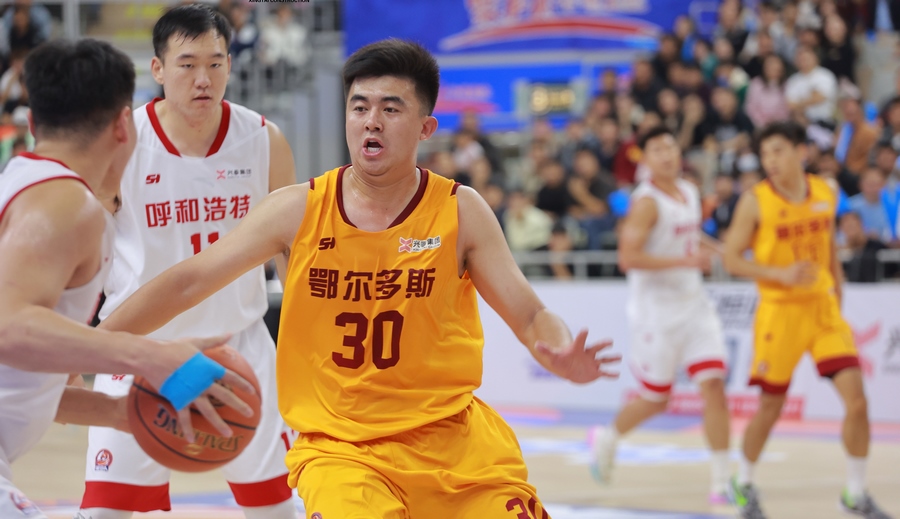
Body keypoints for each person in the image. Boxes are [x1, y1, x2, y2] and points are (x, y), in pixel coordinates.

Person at [94, 38, 621, 518]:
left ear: (425, 128)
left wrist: (557, 349)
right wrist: (88, 347)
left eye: (391, 109)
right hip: (342, 451)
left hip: (456, 443)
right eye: (359, 107)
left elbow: (529, 314)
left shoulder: (461, 210)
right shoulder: (296, 210)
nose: (371, 121)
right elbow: (187, 282)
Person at [0, 38, 253, 519]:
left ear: (32, 124)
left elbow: (20, 377)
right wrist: (151, 356)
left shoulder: (21, 183)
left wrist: (121, 413)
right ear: (124, 125)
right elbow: (9, 330)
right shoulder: (66, 202)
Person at [78, 5, 298, 519]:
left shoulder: (264, 139)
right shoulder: (119, 144)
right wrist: (74, 340)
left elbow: (292, 252)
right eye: (188, 64)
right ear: (157, 69)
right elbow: (84, 247)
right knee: (105, 512)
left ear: (230, 65)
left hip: (239, 351)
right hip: (140, 351)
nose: (204, 79)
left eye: (216, 63)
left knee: (276, 509)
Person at [723, 121, 892, 519]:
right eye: (765, 154)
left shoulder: (826, 190)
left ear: (800, 151)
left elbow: (828, 242)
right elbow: (730, 259)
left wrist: (838, 285)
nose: (771, 160)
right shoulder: (755, 201)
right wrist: (779, 274)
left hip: (822, 309)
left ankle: (855, 493)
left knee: (857, 402)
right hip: (779, 311)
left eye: (778, 151)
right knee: (771, 406)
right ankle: (742, 481)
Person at [589, 126, 731, 504]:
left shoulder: (689, 191)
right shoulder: (646, 203)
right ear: (646, 159)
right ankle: (608, 437)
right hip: (656, 314)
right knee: (657, 399)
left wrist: (721, 251)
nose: (667, 154)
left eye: (670, 146)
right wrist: (686, 261)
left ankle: (722, 483)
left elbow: (689, 237)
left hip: (694, 305)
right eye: (657, 149)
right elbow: (628, 258)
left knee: (715, 388)